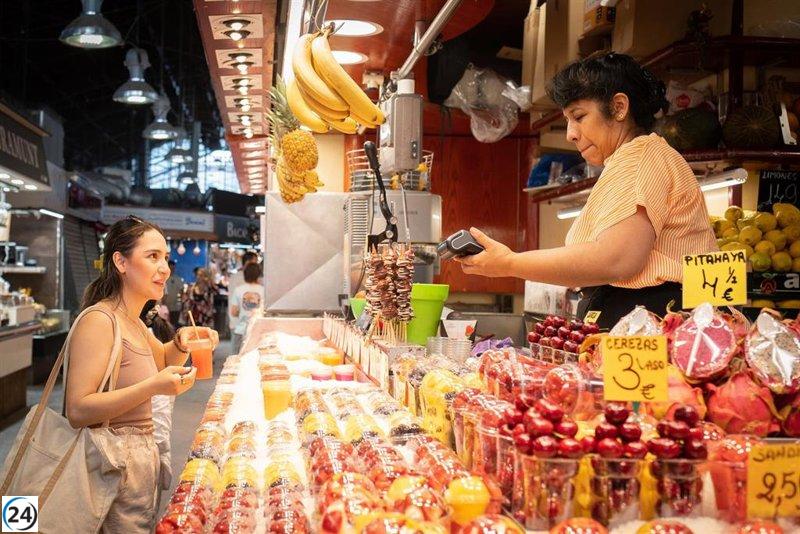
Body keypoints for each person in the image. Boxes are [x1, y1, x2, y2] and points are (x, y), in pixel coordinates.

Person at [457, 52, 717, 329]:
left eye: (579, 116)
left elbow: (617, 259)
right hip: (645, 314)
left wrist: (509, 264)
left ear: (618, 107)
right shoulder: (636, 158)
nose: (570, 133)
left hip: (657, 318)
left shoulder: (640, 156)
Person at [65, 216, 219, 532]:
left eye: (165, 258)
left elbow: (162, 360)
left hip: (135, 463)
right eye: (152, 257)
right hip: (106, 467)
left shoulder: (134, 321)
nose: (164, 268)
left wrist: (180, 341)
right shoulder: (100, 320)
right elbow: (77, 410)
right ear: (121, 261)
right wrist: (152, 388)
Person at [230, 262, 264, 354]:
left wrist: (242, 313)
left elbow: (233, 312)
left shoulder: (238, 290)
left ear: (245, 274)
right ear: (258, 274)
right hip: (258, 330)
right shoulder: (263, 290)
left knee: (235, 360)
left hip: (240, 330)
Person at [227, 251, 259, 334]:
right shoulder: (238, 278)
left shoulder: (234, 277)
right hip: (240, 322)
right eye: (255, 262)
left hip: (242, 322)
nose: (256, 265)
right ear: (248, 262)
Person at [163, 260, 184, 327]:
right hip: (165, 306)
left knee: (175, 324)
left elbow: (181, 291)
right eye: (170, 268)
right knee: (166, 325)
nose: (172, 270)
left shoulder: (178, 279)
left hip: (176, 306)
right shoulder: (163, 278)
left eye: (173, 268)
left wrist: (181, 302)